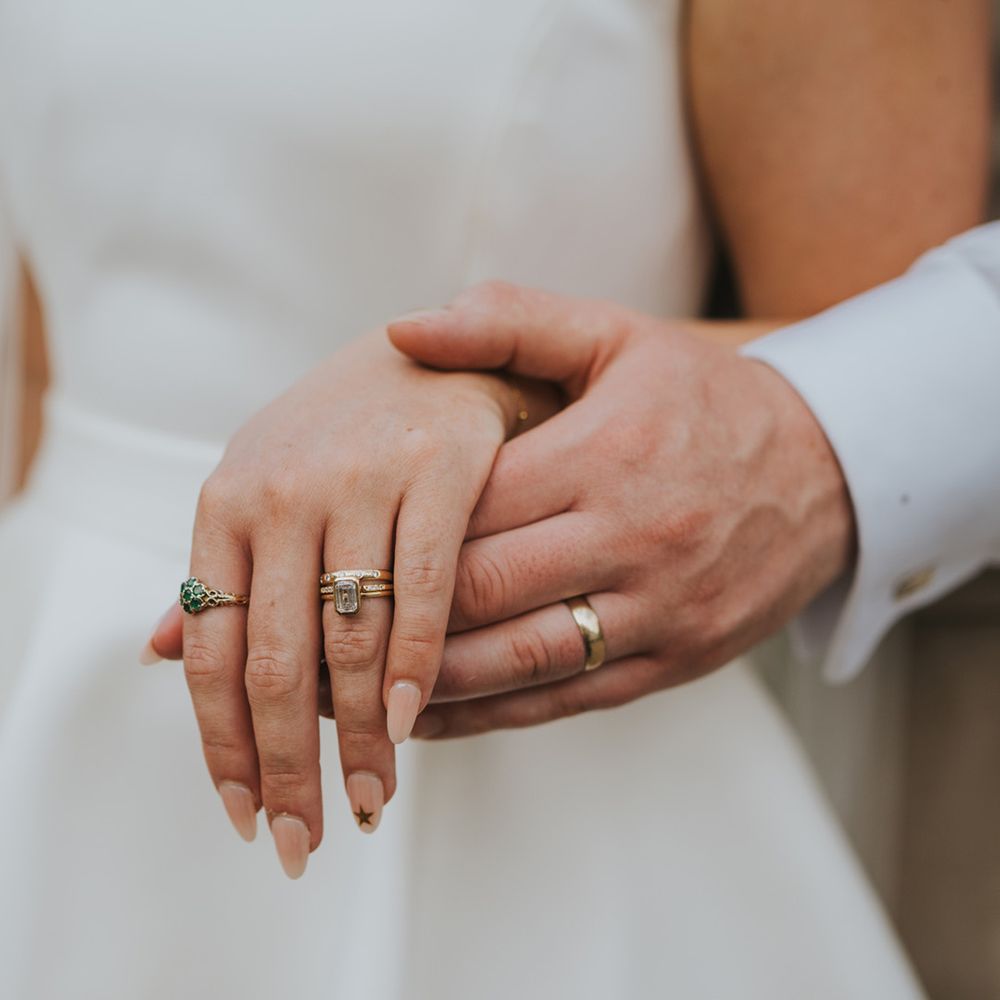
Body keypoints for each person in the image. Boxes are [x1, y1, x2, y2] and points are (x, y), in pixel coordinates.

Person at [0, 1, 989, 997]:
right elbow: (55, 341)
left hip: (521, 740)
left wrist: (499, 386)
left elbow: (860, 354)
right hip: (64, 698)